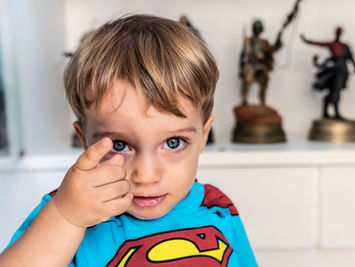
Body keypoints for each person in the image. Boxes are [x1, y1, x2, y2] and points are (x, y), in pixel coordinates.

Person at [0, 15, 257, 266]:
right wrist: (66, 217)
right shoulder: (68, 210)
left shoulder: (218, 209)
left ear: (203, 136)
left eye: (174, 143)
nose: (146, 176)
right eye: (120, 145)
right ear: (85, 141)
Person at [301, 27, 355, 119]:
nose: (338, 33)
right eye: (337, 32)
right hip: (335, 71)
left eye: (339, 32)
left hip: (343, 72)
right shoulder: (332, 44)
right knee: (335, 92)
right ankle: (333, 113)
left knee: (337, 92)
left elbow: (351, 58)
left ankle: (334, 113)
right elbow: (319, 43)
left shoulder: (345, 46)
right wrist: (307, 41)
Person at [239, 20, 282, 106]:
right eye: (256, 28)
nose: (257, 30)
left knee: (264, 79)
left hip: (261, 64)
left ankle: (263, 101)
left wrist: (278, 44)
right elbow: (247, 53)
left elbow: (270, 51)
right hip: (251, 63)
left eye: (259, 28)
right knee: (247, 77)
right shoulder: (248, 41)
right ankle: (244, 99)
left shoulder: (264, 42)